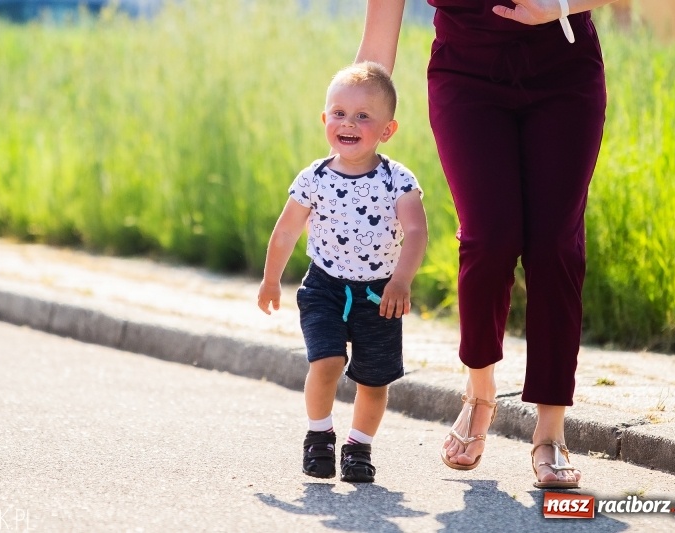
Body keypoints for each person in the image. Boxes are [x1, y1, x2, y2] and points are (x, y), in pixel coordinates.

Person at [355, 0, 618, 488]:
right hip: (466, 77)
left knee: (556, 244)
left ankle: (550, 432)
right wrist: (354, 117)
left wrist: (557, 6)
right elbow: (377, 43)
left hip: (564, 70)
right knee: (489, 237)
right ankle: (479, 392)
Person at [257, 62, 428, 483]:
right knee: (327, 360)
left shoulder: (398, 179)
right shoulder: (312, 178)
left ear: (387, 130)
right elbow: (286, 232)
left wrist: (401, 280)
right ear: (324, 119)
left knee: (374, 378)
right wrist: (270, 278)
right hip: (324, 288)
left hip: (379, 295)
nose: (347, 123)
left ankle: (358, 446)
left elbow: (417, 230)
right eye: (338, 113)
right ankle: (319, 437)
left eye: (363, 117)